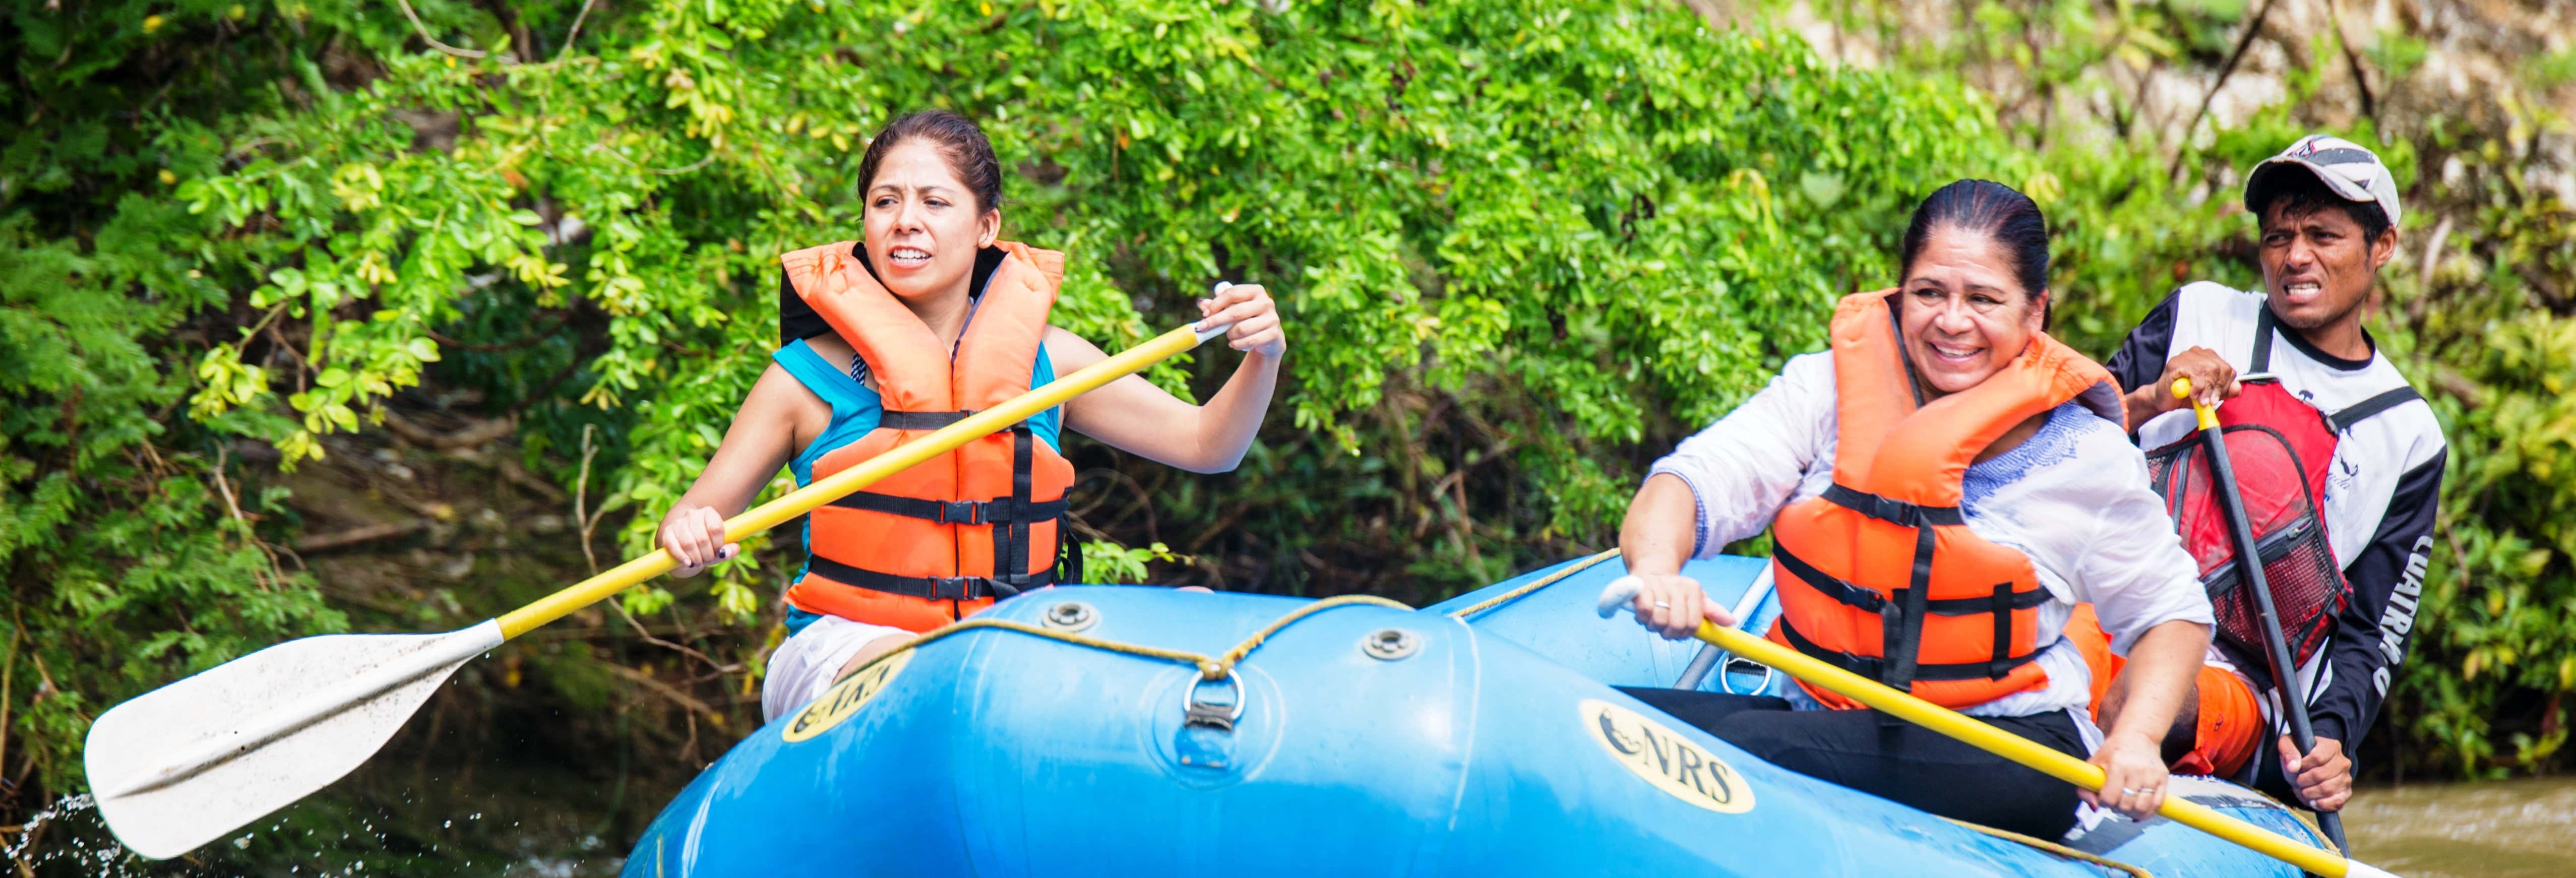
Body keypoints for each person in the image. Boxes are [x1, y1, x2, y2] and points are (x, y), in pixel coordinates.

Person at [1613, 179, 2215, 838]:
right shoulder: (1827, 389)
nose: (1951, 321)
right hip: (1831, 709)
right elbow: (1694, 480)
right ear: (1900, 292)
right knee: (1615, 720)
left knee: (1758, 749)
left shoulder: (2083, 455)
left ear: (2035, 311)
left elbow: (2169, 615)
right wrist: (1655, 568)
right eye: (1929, 293)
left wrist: (2135, 737)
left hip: (2012, 744)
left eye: (1983, 299)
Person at [653, 111, 1288, 722]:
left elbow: (1210, 444)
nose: (906, 222)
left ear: (986, 226)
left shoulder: (1051, 363)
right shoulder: (801, 380)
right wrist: (688, 537)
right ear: (865, 223)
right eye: (885, 202)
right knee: (935, 671)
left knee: (1196, 612)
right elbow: (684, 528)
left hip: (1012, 638)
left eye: (935, 202)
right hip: (848, 647)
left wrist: (1263, 355)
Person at [2093, 134, 2446, 814]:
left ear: (2382, 247)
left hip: (2237, 684)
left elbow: (2371, 630)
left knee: (2136, 700)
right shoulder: (2195, 313)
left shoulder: (2408, 435)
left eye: (2323, 235)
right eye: (2278, 236)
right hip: (2105, 605)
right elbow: (2061, 446)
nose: (2295, 257)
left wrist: (2332, 738)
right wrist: (2148, 399)